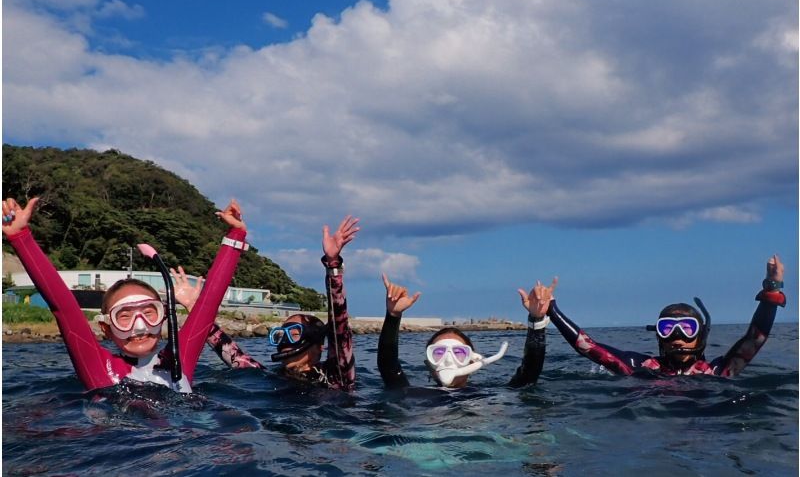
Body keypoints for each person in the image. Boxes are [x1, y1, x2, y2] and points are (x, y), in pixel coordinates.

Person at [1, 196, 248, 393]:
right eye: (125, 316)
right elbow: (64, 308)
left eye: (149, 313)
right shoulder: (99, 366)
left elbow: (207, 305)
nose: (140, 326)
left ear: (163, 318)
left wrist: (235, 235)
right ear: (106, 328)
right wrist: (20, 237)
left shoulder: (179, 360)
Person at [176, 215, 359, 391]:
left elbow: (340, 328)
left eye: (294, 334)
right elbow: (232, 353)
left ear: (320, 346)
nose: (285, 341)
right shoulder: (271, 378)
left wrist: (333, 265)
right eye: (281, 335)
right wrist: (195, 309)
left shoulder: (336, 376)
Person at [546, 255, 787, 376]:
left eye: (688, 329)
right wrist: (551, 310)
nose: (677, 337)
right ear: (659, 335)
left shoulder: (717, 372)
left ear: (700, 335)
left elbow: (755, 338)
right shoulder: (641, 368)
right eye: (668, 328)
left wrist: (772, 289)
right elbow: (589, 347)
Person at [377, 274, 555, 389]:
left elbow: (529, 375)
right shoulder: (412, 396)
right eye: (438, 352)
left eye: (459, 352)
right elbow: (388, 366)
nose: (448, 359)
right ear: (428, 365)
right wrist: (393, 315)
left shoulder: (488, 397)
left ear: (473, 361)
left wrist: (537, 319)